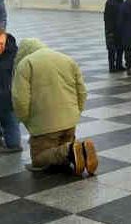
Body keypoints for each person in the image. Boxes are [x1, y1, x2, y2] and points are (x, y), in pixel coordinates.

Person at [12, 38, 97, 175]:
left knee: (39, 159)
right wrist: (76, 113)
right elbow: (81, 91)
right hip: (70, 122)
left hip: (43, 126)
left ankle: (71, 150)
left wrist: (25, 120)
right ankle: (77, 153)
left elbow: (20, 99)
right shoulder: (67, 59)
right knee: (62, 153)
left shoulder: (25, 64)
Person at [0, 31, 22, 153]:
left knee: (13, 140)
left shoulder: (15, 54)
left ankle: (13, 146)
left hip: (8, 98)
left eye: (1, 43)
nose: (0, 46)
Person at [104, 0, 125, 73]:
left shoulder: (122, 2)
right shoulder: (110, 3)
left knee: (120, 48)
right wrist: (109, 30)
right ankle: (112, 66)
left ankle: (119, 65)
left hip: (121, 29)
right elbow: (107, 18)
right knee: (112, 49)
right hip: (112, 30)